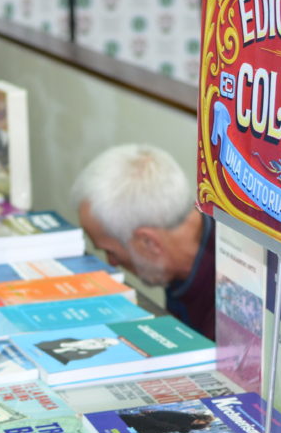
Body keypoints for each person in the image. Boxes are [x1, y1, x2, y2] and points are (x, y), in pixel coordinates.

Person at [71, 145, 215, 340]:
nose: (112, 262)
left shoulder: (231, 302)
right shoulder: (181, 260)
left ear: (149, 242)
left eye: (112, 252)